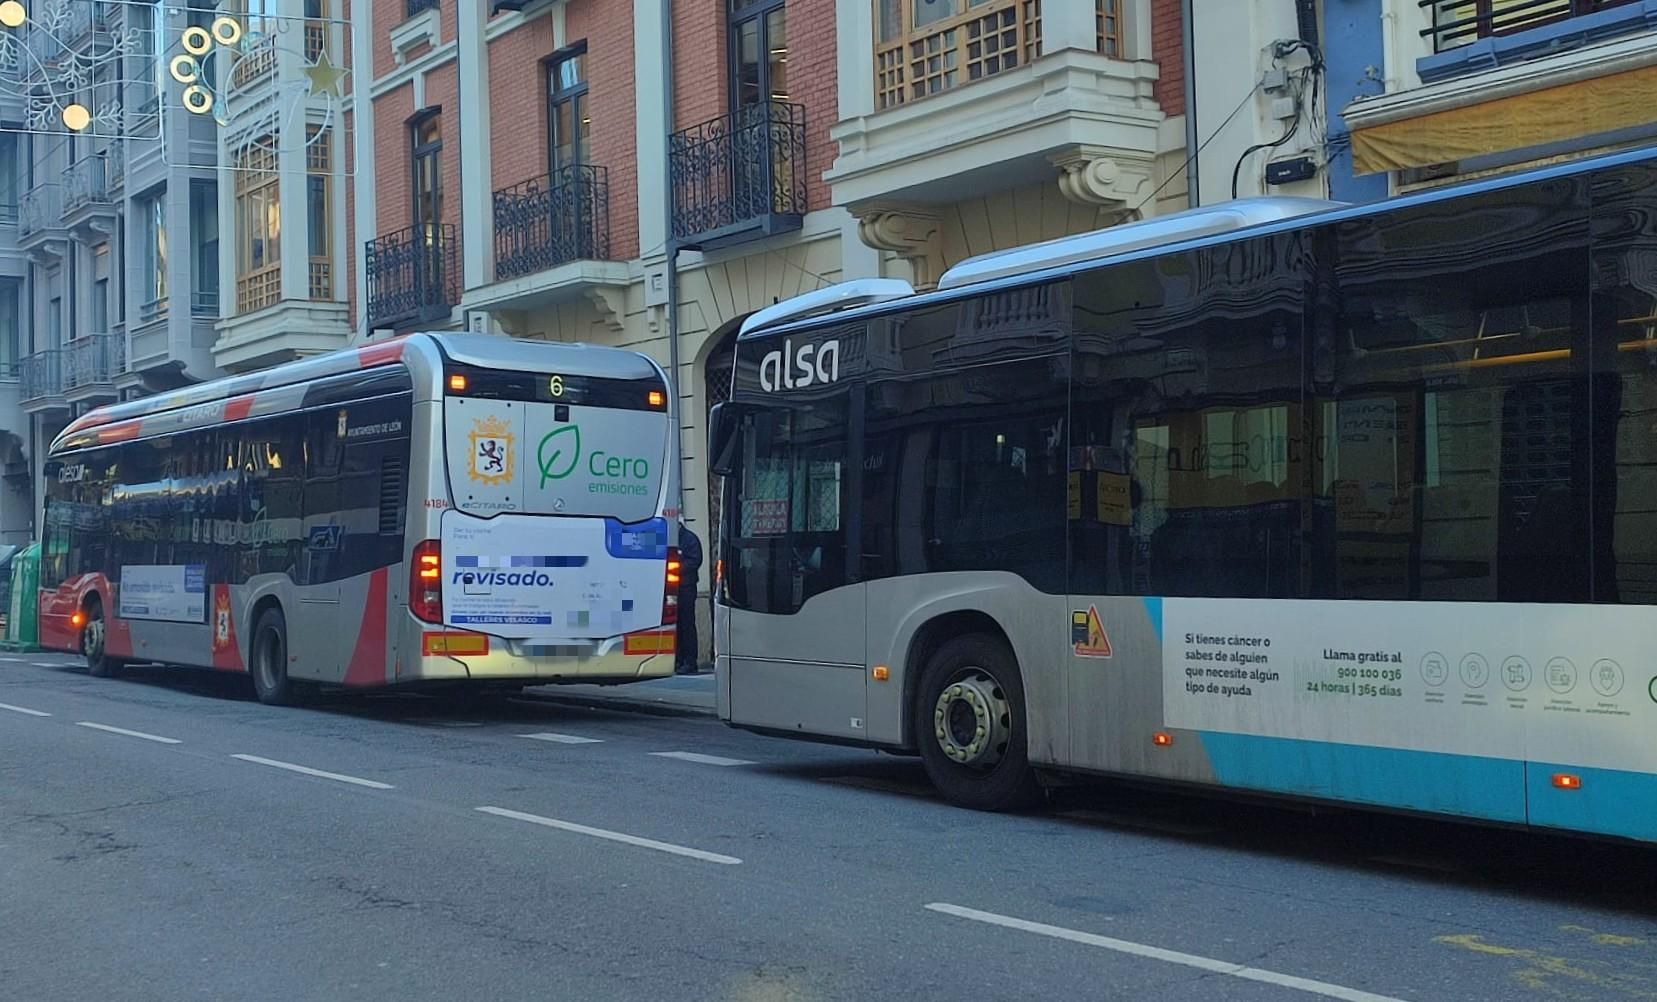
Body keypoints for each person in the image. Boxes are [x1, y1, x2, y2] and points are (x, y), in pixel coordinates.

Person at [674, 518, 703, 675]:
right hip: (672, 588)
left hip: (686, 587)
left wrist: (674, 569)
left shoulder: (689, 539)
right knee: (676, 625)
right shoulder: (669, 538)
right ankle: (678, 659)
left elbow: (694, 561)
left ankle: (690, 661)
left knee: (687, 624)